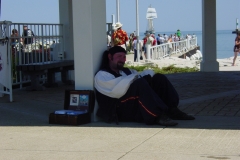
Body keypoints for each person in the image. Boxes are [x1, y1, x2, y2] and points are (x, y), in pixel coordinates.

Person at [94, 46, 195, 126]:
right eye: (119, 56)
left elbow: (135, 76)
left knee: (159, 78)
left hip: (131, 103)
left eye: (124, 57)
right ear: (110, 57)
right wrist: (136, 79)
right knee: (140, 83)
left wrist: (145, 77)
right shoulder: (102, 75)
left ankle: (172, 110)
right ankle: (157, 115)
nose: (122, 59)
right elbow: (116, 91)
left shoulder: (127, 71)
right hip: (119, 109)